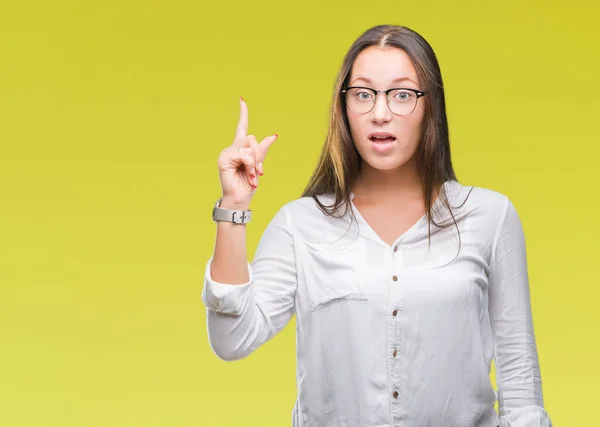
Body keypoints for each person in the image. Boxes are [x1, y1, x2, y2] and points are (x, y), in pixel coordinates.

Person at [201, 24, 552, 427]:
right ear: (344, 107)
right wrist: (233, 206)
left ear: (430, 106)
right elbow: (232, 340)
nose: (380, 113)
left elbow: (519, 377)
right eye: (364, 95)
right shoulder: (300, 224)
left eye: (402, 94)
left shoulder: (490, 216)